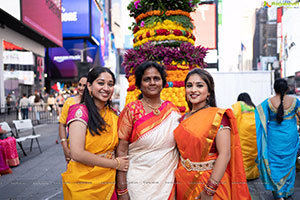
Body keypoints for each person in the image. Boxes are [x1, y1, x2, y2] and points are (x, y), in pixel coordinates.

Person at [174, 68, 251, 200]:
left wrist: (209, 190)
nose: (193, 90)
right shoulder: (181, 119)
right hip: (184, 181)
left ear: (209, 91)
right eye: (189, 86)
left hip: (211, 182)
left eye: (199, 85)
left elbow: (225, 154)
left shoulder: (218, 117)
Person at [116, 61, 181, 199]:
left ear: (163, 83)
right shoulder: (131, 111)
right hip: (138, 184)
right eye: (147, 79)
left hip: (167, 183)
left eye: (156, 78)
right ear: (139, 85)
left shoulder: (172, 110)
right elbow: (121, 151)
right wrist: (122, 190)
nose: (152, 82)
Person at [61, 67, 129, 199]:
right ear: (89, 86)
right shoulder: (80, 112)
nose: (106, 88)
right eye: (101, 83)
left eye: (110, 84)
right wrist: (115, 164)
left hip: (108, 181)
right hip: (84, 185)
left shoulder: (113, 115)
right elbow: (77, 153)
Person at [255, 78, 300, 200]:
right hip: (290, 136)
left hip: (274, 139)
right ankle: (286, 191)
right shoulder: (295, 101)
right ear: (287, 89)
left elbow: (259, 115)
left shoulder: (268, 102)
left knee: (274, 163)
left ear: (274, 89)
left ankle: (279, 193)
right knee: (289, 163)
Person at [59, 74, 87, 163]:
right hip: (72, 147)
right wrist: (65, 148)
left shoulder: (95, 103)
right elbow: (62, 124)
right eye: (80, 85)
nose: (81, 88)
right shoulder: (69, 102)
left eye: (85, 86)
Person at [232, 93, 259, 180]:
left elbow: (234, 116)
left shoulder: (239, 104)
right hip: (254, 133)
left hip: (244, 131)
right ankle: (253, 174)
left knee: (243, 152)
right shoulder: (253, 107)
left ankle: (244, 174)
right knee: (252, 152)